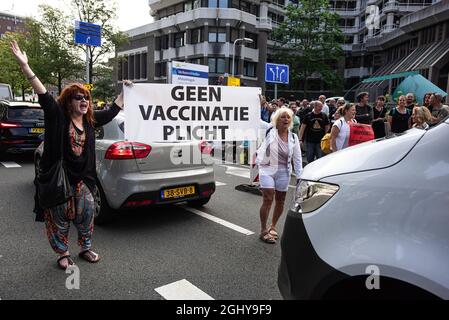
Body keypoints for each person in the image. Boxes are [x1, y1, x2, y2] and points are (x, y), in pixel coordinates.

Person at [10, 40, 129, 270]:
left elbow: (114, 110)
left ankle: (85, 247)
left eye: (86, 98)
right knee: (58, 219)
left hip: (83, 179)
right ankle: (63, 253)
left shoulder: (91, 120)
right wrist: (26, 66)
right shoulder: (57, 115)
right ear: (68, 101)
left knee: (86, 215)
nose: (84, 101)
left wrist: (127, 90)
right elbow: (43, 94)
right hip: (59, 177)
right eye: (78, 97)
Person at [256, 107, 302, 244]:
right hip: (267, 169)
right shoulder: (270, 130)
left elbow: (297, 159)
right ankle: (263, 230)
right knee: (268, 198)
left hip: (284, 172)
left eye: (288, 117)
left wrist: (300, 176)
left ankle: (273, 226)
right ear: (277, 119)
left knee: (281, 200)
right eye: (283, 117)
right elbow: (255, 120)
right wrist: (257, 102)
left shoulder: (293, 137)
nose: (286, 119)